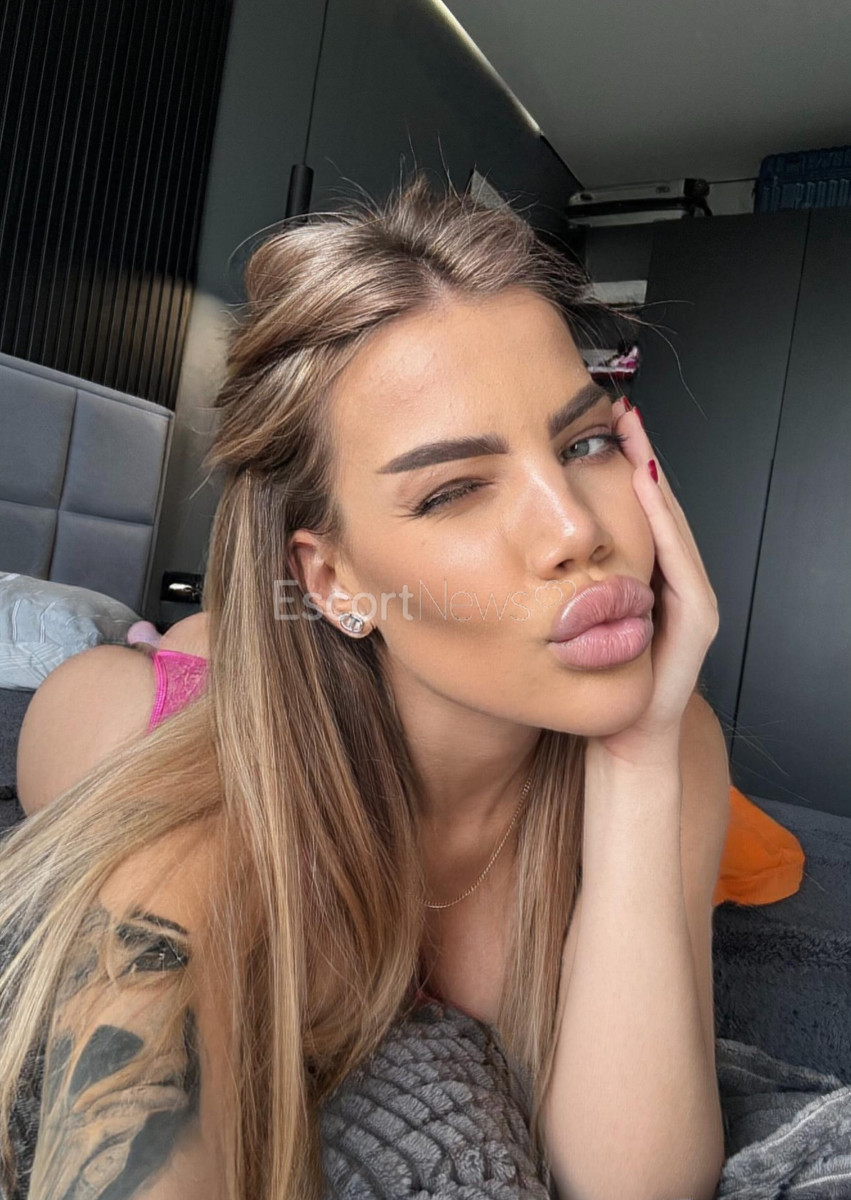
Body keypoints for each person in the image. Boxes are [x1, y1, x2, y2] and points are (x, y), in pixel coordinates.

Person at [1, 170, 732, 1200]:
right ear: (332, 579)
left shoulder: (676, 737)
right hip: (170, 692)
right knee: (175, 654)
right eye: (453, 490)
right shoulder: (164, 773)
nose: (577, 529)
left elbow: (637, 1185)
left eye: (585, 441)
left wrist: (641, 759)